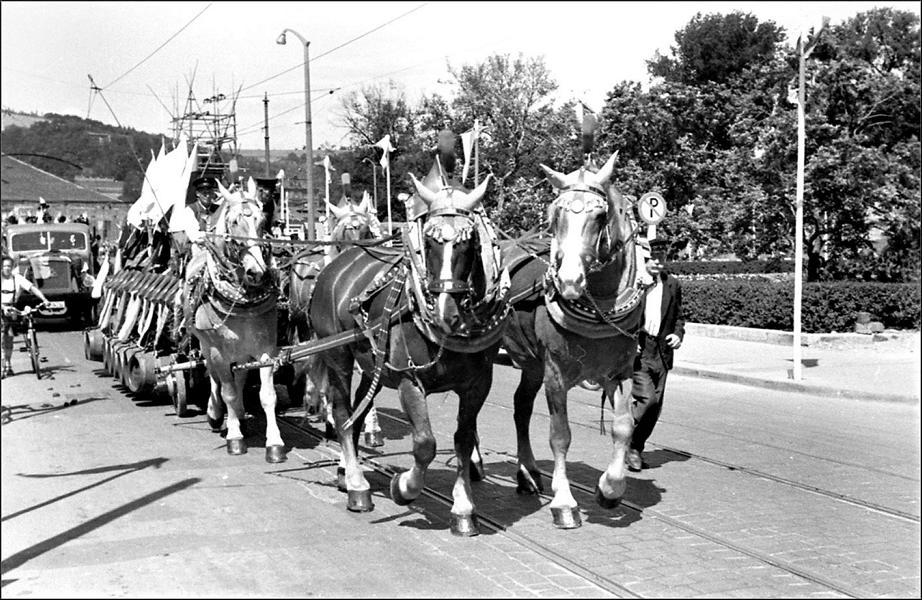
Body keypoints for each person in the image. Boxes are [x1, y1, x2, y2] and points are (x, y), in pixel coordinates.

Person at [627, 237, 685, 471]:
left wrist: (678, 335)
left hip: (662, 352)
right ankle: (626, 437)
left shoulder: (672, 284)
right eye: (652, 260)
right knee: (647, 399)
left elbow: (679, 316)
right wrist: (631, 341)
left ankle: (635, 448)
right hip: (639, 351)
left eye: (661, 260)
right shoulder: (634, 284)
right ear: (645, 261)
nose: (657, 264)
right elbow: (621, 315)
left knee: (656, 406)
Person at [1, 255, 50, 378]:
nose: (7, 268)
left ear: (12, 267)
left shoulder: (17, 279)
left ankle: (8, 364)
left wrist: (45, 299)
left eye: (9, 266)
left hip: (12, 310)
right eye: (4, 266)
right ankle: (3, 365)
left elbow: (32, 288)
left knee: (9, 339)